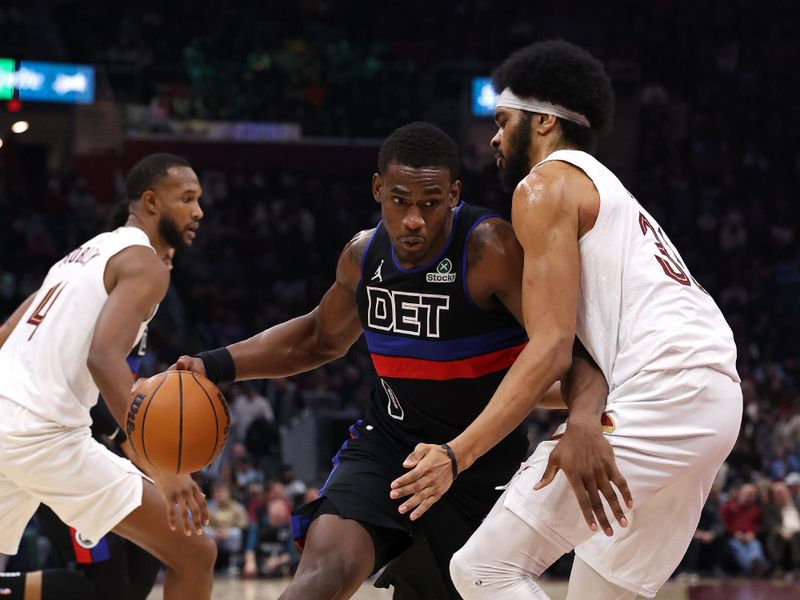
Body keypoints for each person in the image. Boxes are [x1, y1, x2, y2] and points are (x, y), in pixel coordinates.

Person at [173, 121, 609, 599]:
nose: (414, 219)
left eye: (430, 202)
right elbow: (318, 337)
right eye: (400, 200)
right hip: (389, 449)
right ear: (378, 189)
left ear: (454, 194)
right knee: (323, 575)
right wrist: (212, 364)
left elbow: (568, 348)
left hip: (480, 464)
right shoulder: (363, 256)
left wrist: (586, 418)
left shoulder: (491, 251)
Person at [394, 41, 742, 600]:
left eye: (504, 121)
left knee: (483, 569)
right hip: (712, 399)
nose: (495, 137)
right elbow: (573, 362)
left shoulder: (545, 185)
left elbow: (552, 348)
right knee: (600, 591)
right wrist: (577, 413)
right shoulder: (613, 193)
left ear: (545, 122)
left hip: (661, 389)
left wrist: (459, 452)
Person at [0, 153, 217, 599]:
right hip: (44, 435)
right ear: (152, 202)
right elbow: (104, 358)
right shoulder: (145, 264)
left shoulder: (78, 256)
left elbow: (5, 334)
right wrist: (161, 465)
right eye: (188, 199)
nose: (198, 211)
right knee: (196, 554)